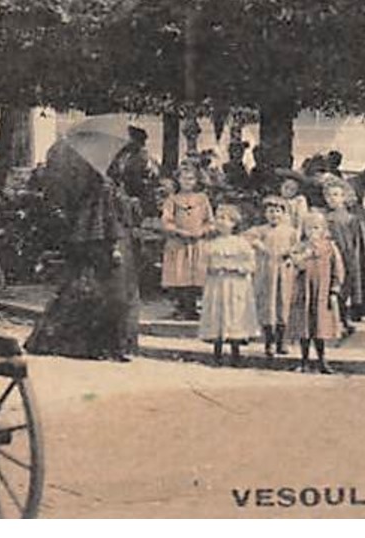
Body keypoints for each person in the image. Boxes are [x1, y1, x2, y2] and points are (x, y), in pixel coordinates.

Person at [25, 141, 141, 361]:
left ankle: (87, 345)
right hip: (102, 241)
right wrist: (114, 244)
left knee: (83, 288)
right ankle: (104, 347)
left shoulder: (100, 183)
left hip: (89, 238)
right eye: (122, 158)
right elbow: (107, 220)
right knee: (105, 293)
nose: (124, 163)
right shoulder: (103, 186)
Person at [198, 205, 261, 366]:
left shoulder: (241, 243)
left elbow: (251, 264)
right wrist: (212, 268)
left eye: (225, 219)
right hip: (217, 284)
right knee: (218, 314)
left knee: (235, 315)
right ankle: (217, 353)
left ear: (233, 223)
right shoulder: (211, 244)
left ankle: (235, 353)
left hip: (236, 284)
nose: (220, 222)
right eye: (218, 218)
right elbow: (203, 264)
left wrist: (236, 268)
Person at [323, 177, 365, 329]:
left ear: (344, 197)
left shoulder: (352, 219)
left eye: (335, 195)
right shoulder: (324, 218)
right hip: (330, 256)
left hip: (347, 256)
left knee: (347, 286)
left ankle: (347, 316)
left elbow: (356, 242)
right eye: (328, 195)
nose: (331, 199)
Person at [286, 210, 345, 374]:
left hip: (322, 292)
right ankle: (304, 360)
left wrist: (334, 289)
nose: (313, 232)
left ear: (324, 229)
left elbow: (338, 269)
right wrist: (301, 258)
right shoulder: (300, 247)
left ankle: (322, 360)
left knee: (320, 326)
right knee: (304, 326)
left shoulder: (330, 247)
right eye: (309, 228)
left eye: (317, 228)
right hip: (304, 291)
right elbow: (292, 264)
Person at [160, 163, 214, 320]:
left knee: (195, 274)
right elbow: (166, 221)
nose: (187, 182)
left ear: (196, 181)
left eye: (191, 179)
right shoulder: (172, 199)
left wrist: (201, 231)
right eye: (184, 179)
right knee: (178, 274)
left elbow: (210, 221)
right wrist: (179, 232)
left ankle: (193, 307)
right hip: (178, 244)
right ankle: (180, 307)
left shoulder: (202, 199)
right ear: (178, 180)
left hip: (197, 243)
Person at [248, 196, 298, 361]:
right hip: (266, 272)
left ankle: (281, 341)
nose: (274, 215)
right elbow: (247, 238)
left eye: (278, 211)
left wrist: (290, 254)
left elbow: (297, 248)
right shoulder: (260, 230)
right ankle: (268, 341)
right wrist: (258, 244)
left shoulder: (290, 231)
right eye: (270, 211)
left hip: (284, 272)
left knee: (283, 304)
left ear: (284, 213)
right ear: (265, 213)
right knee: (268, 306)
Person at [107, 126, 159, 217]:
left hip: (135, 195)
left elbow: (136, 180)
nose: (126, 142)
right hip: (124, 193)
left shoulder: (142, 157)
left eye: (130, 139)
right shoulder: (123, 155)